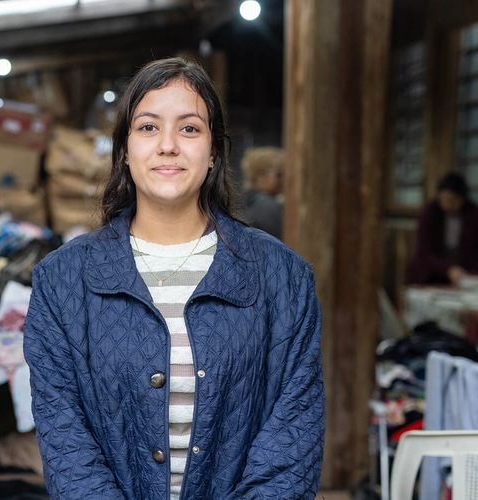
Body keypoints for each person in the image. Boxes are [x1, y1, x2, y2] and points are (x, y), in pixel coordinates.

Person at [23, 57, 325, 500]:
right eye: (147, 127)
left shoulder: (284, 278)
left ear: (214, 151)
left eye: (188, 128)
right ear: (125, 150)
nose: (168, 145)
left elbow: (292, 440)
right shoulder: (62, 281)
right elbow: (66, 442)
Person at [407, 172, 478, 285]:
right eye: (443, 199)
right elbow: (425, 251)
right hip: (431, 271)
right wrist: (447, 269)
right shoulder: (430, 213)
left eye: (451, 200)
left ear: (461, 198)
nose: (446, 204)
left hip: (464, 272)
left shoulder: (473, 215)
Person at [240, 146, 285, 239]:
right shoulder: (267, 207)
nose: (284, 180)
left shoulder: (246, 200)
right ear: (261, 176)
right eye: (279, 175)